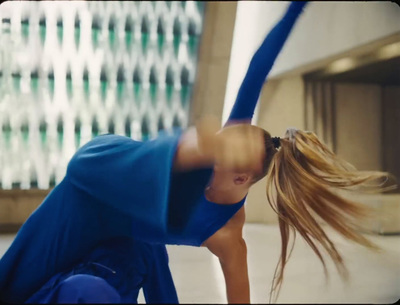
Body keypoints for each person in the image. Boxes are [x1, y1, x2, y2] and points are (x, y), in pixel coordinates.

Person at [0, 1, 394, 303]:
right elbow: (260, 62)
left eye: (220, 156)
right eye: (218, 144)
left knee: (140, 248)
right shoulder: (230, 142)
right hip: (88, 197)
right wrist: (297, 6)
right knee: (18, 281)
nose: (213, 158)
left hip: (114, 242)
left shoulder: (227, 237)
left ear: (242, 179)